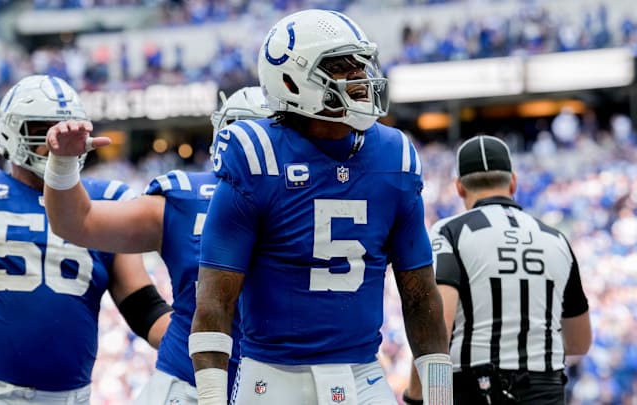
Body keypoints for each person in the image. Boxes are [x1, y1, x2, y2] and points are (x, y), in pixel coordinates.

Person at [189, 9, 453, 405]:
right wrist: (210, 400)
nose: (361, 79)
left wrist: (439, 397)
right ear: (292, 80)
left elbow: (419, 295)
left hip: (363, 374)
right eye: (342, 68)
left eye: (361, 65)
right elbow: (214, 301)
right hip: (272, 380)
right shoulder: (257, 156)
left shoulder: (394, 155)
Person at [0, 75, 172, 404]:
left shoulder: (107, 202)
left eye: (66, 127)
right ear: (10, 132)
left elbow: (144, 309)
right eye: (42, 129)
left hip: (69, 396)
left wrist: (205, 347)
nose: (57, 139)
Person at [41, 86, 271, 404]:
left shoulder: (319, 201)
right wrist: (64, 164)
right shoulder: (185, 199)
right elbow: (77, 223)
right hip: (187, 385)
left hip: (280, 384)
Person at [404, 135, 592, 405]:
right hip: (546, 389)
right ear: (513, 182)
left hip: (476, 387)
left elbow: (437, 325)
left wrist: (417, 396)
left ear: (459, 187)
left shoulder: (450, 232)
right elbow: (579, 341)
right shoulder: (556, 238)